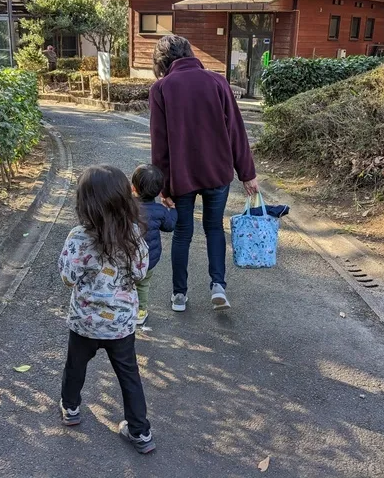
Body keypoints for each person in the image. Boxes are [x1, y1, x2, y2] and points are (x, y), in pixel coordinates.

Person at [149, 35, 258, 313]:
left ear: (162, 61)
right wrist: (247, 173)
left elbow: (159, 144)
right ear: (189, 52)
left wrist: (163, 188)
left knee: (183, 233)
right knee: (213, 228)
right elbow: (236, 131)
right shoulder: (217, 81)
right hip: (218, 172)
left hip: (183, 176)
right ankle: (218, 287)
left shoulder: (161, 88)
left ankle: (179, 296)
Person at [57, 164, 155, 454]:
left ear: (84, 203)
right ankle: (140, 432)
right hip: (121, 324)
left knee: (75, 367)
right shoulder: (134, 234)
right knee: (129, 376)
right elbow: (140, 273)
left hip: (85, 323)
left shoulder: (78, 237)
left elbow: (66, 277)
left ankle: (71, 408)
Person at [131, 164, 177, 325]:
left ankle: (123, 306)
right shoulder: (159, 210)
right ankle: (140, 311)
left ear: (133, 188)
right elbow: (170, 226)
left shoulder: (126, 207)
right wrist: (173, 210)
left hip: (126, 257)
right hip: (148, 259)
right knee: (143, 285)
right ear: (158, 192)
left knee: (125, 283)